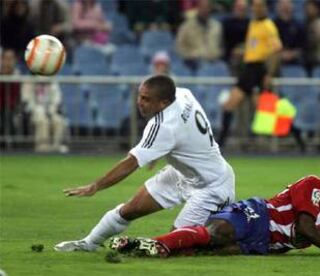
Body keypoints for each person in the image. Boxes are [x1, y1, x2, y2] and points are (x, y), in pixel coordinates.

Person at [54, 75, 235, 252]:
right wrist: (157, 153)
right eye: (139, 96)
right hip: (183, 174)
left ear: (163, 102)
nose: (139, 102)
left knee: (176, 244)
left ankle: (237, 246)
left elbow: (131, 163)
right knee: (130, 210)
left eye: (146, 99)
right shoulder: (182, 94)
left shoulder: (164, 125)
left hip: (212, 186)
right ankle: (88, 243)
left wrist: (96, 185)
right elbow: (179, 135)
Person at [110, 169, 320, 257]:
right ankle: (157, 242)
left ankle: (136, 245)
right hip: (259, 215)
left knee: (204, 252)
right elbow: (306, 229)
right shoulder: (313, 186)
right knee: (215, 234)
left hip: (266, 245)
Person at [218, 0, 283, 147]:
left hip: (260, 69)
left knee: (267, 110)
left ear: (265, 8)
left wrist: (269, 74)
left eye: (260, 6)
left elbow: (277, 50)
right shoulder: (253, 23)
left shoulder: (269, 26)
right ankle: (219, 144)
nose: (257, 9)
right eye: (255, 6)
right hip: (249, 69)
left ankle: (297, 138)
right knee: (230, 104)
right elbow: (256, 46)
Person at [21, 81, 69, 153]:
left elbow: (57, 99)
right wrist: (38, 110)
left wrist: (51, 110)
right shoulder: (28, 83)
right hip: (34, 113)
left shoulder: (53, 83)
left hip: (50, 112)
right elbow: (26, 100)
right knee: (43, 121)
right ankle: (42, 146)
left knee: (58, 121)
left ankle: (56, 146)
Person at [175, 0, 223, 71]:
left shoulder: (217, 26)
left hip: (213, 62)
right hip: (192, 64)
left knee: (223, 67)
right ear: (197, 8)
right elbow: (179, 47)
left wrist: (215, 54)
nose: (205, 10)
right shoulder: (186, 27)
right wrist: (191, 56)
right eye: (202, 7)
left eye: (207, 7)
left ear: (210, 9)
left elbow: (221, 47)